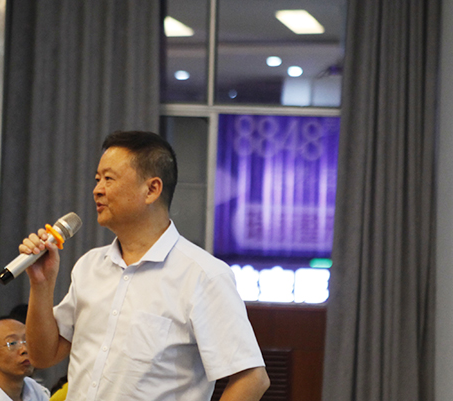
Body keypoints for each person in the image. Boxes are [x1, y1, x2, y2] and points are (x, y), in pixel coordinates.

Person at [21, 131, 270, 400]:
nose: (97, 190)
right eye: (97, 179)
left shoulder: (203, 274)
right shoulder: (89, 266)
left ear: (152, 190)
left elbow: (252, 379)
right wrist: (41, 284)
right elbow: (43, 356)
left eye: (108, 179)